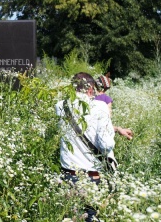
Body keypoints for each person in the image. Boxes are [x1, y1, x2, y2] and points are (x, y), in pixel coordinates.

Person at [55, 72, 132, 221]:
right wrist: (112, 133)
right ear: (90, 89)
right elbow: (105, 145)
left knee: (70, 216)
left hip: (67, 174)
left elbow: (82, 127)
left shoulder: (60, 105)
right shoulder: (100, 106)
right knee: (91, 216)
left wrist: (115, 128)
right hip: (91, 176)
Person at [95, 73, 133, 140]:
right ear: (106, 88)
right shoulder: (107, 99)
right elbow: (108, 117)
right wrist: (118, 129)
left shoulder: (89, 96)